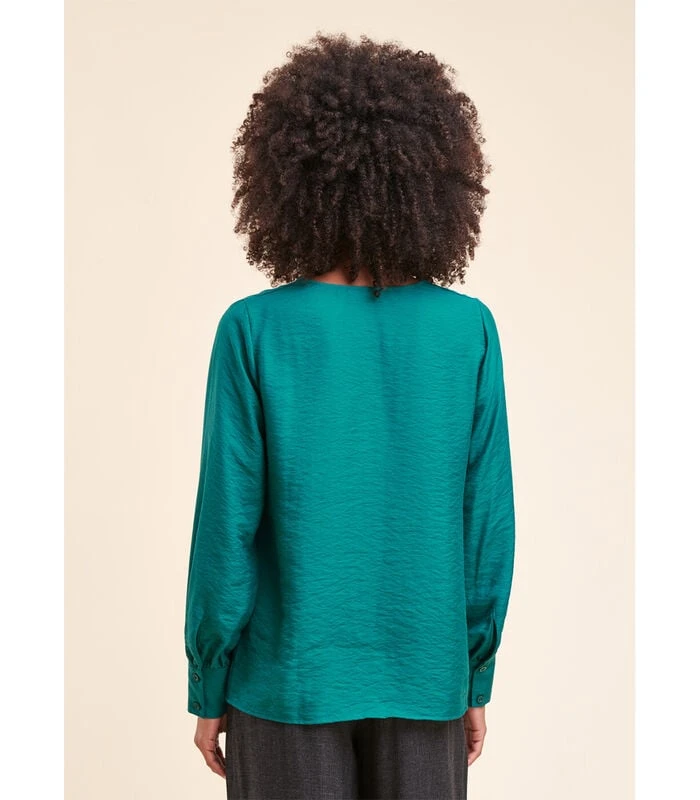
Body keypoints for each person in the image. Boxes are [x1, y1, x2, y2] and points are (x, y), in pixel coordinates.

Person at [183, 31, 516, 800]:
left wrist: (209, 682)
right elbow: (486, 528)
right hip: (426, 679)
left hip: (285, 682)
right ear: (435, 178)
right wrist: (473, 674)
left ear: (286, 178)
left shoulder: (255, 329)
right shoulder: (466, 330)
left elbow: (226, 528)